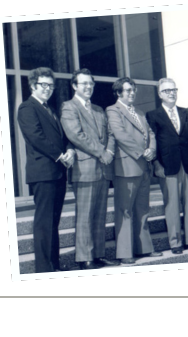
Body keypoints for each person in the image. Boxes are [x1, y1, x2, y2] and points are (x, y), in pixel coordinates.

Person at [60, 69, 120, 270]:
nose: (88, 87)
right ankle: (84, 258)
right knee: (85, 216)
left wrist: (109, 152)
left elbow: (110, 133)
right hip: (84, 169)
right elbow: (76, 135)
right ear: (75, 86)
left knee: (100, 215)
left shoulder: (98, 109)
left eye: (91, 84)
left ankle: (99, 254)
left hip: (103, 168)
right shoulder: (69, 107)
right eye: (83, 84)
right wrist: (102, 152)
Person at [17, 67, 75, 273]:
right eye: (44, 85)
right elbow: (36, 136)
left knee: (53, 222)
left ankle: (54, 266)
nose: (48, 89)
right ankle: (44, 269)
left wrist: (69, 150)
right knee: (44, 223)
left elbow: (61, 137)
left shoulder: (50, 109)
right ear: (33, 85)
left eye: (51, 85)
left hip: (57, 172)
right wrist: (60, 155)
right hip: (43, 173)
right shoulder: (27, 108)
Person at [106, 77, 162, 264]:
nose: (132, 93)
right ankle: (125, 253)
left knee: (142, 209)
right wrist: (141, 152)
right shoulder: (113, 110)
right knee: (125, 211)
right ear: (118, 93)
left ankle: (144, 248)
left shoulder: (139, 112)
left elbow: (151, 134)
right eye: (128, 90)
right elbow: (120, 135)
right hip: (127, 167)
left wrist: (151, 150)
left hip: (144, 166)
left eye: (133, 90)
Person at [146, 78, 188, 255]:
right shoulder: (153, 115)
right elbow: (152, 141)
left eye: (174, 89)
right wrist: (156, 164)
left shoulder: (186, 113)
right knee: (171, 205)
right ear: (160, 94)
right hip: (167, 166)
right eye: (167, 91)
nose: (172, 93)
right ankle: (175, 242)